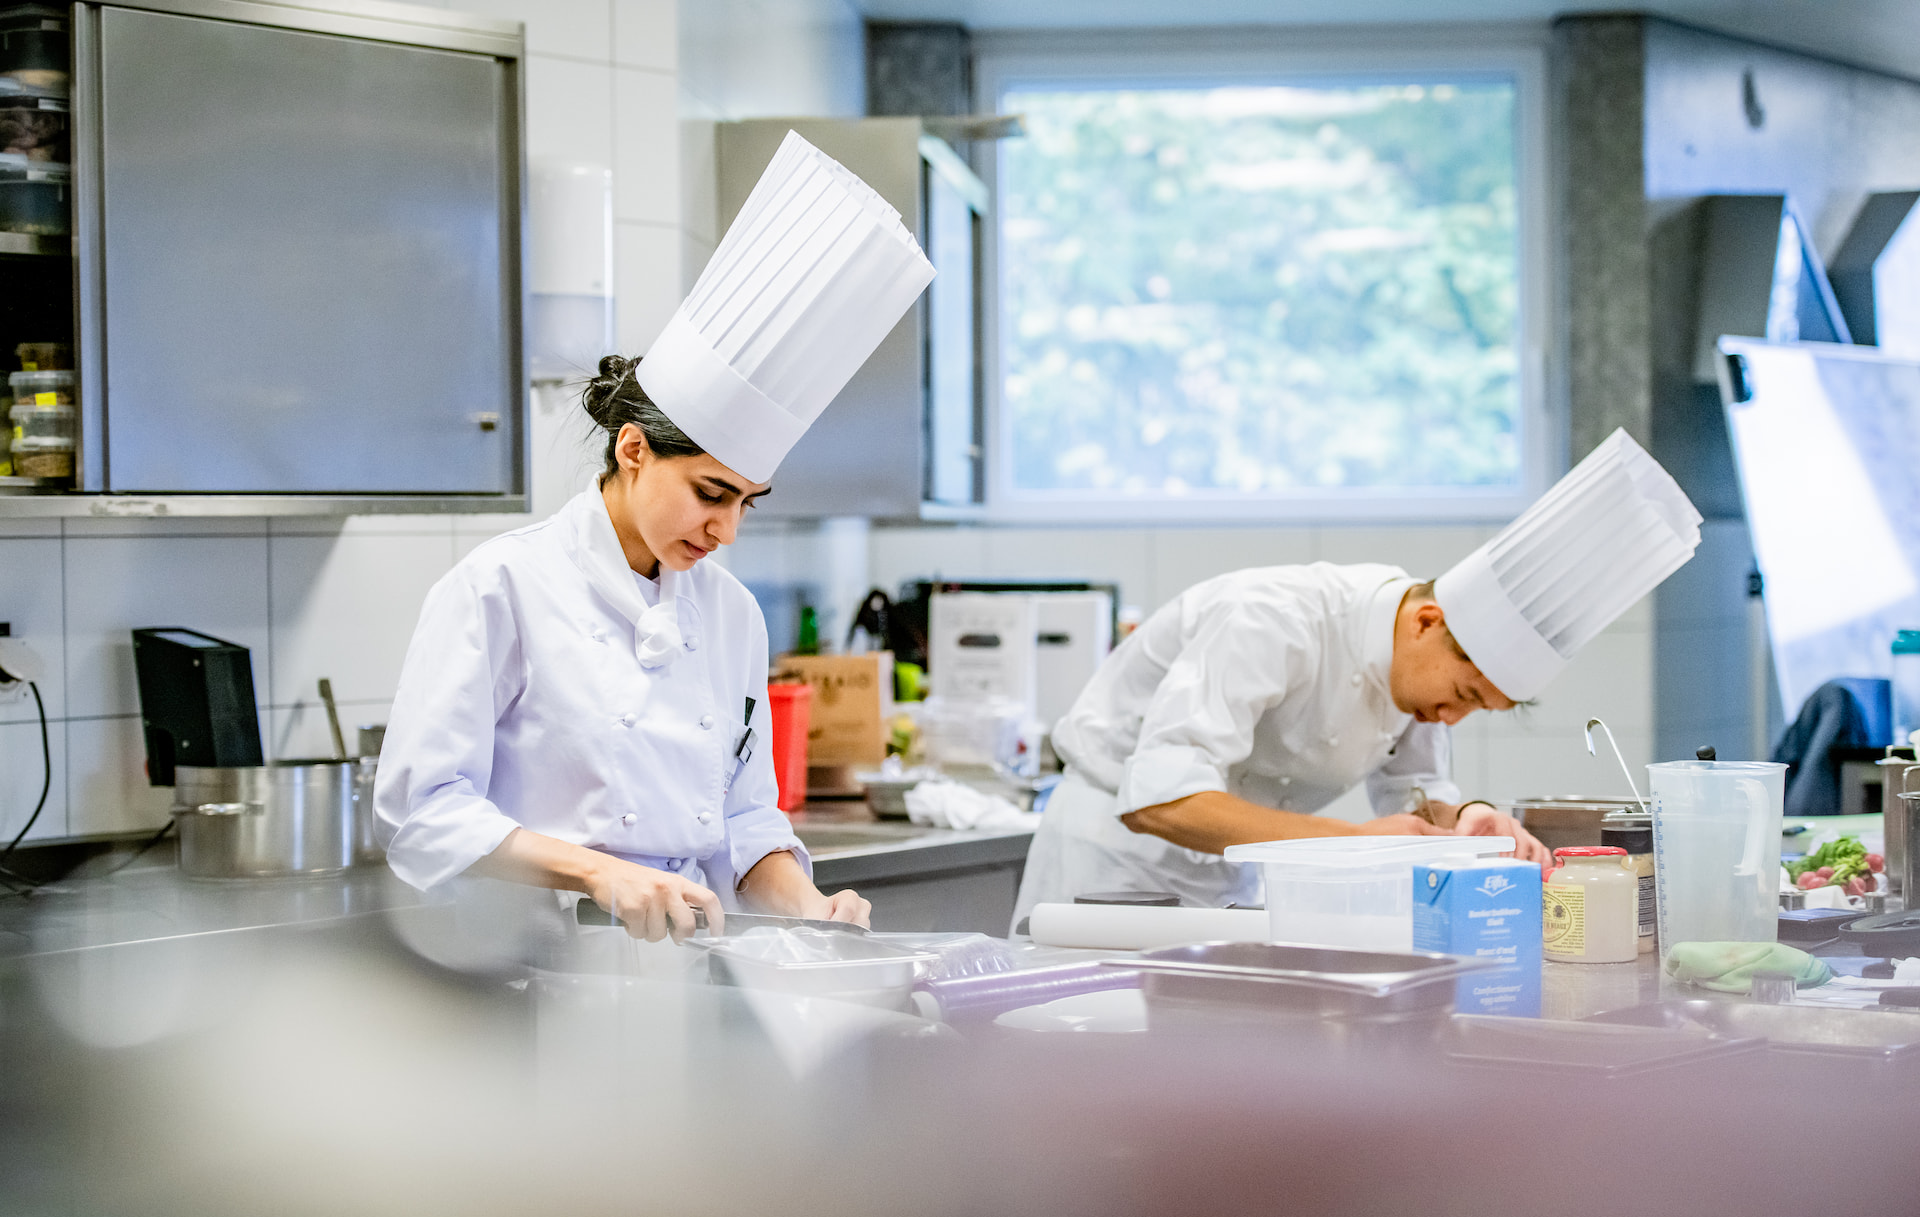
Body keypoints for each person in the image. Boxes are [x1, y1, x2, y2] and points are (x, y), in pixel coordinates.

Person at [376, 132, 934, 943]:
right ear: (634, 450)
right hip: (527, 969)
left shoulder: (731, 612)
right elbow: (420, 813)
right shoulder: (502, 586)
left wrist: (812, 910)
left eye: (749, 502)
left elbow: (744, 819)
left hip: (689, 965)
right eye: (712, 494)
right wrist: (599, 872)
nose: (727, 529)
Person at [1013, 429, 1703, 920]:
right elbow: (1161, 801)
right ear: (1428, 622)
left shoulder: (1415, 677)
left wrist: (1469, 818)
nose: (1452, 718)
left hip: (1228, 886)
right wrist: (1352, 846)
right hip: (1109, 875)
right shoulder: (1272, 619)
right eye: (1462, 694)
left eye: (1480, 710)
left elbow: (1414, 793)